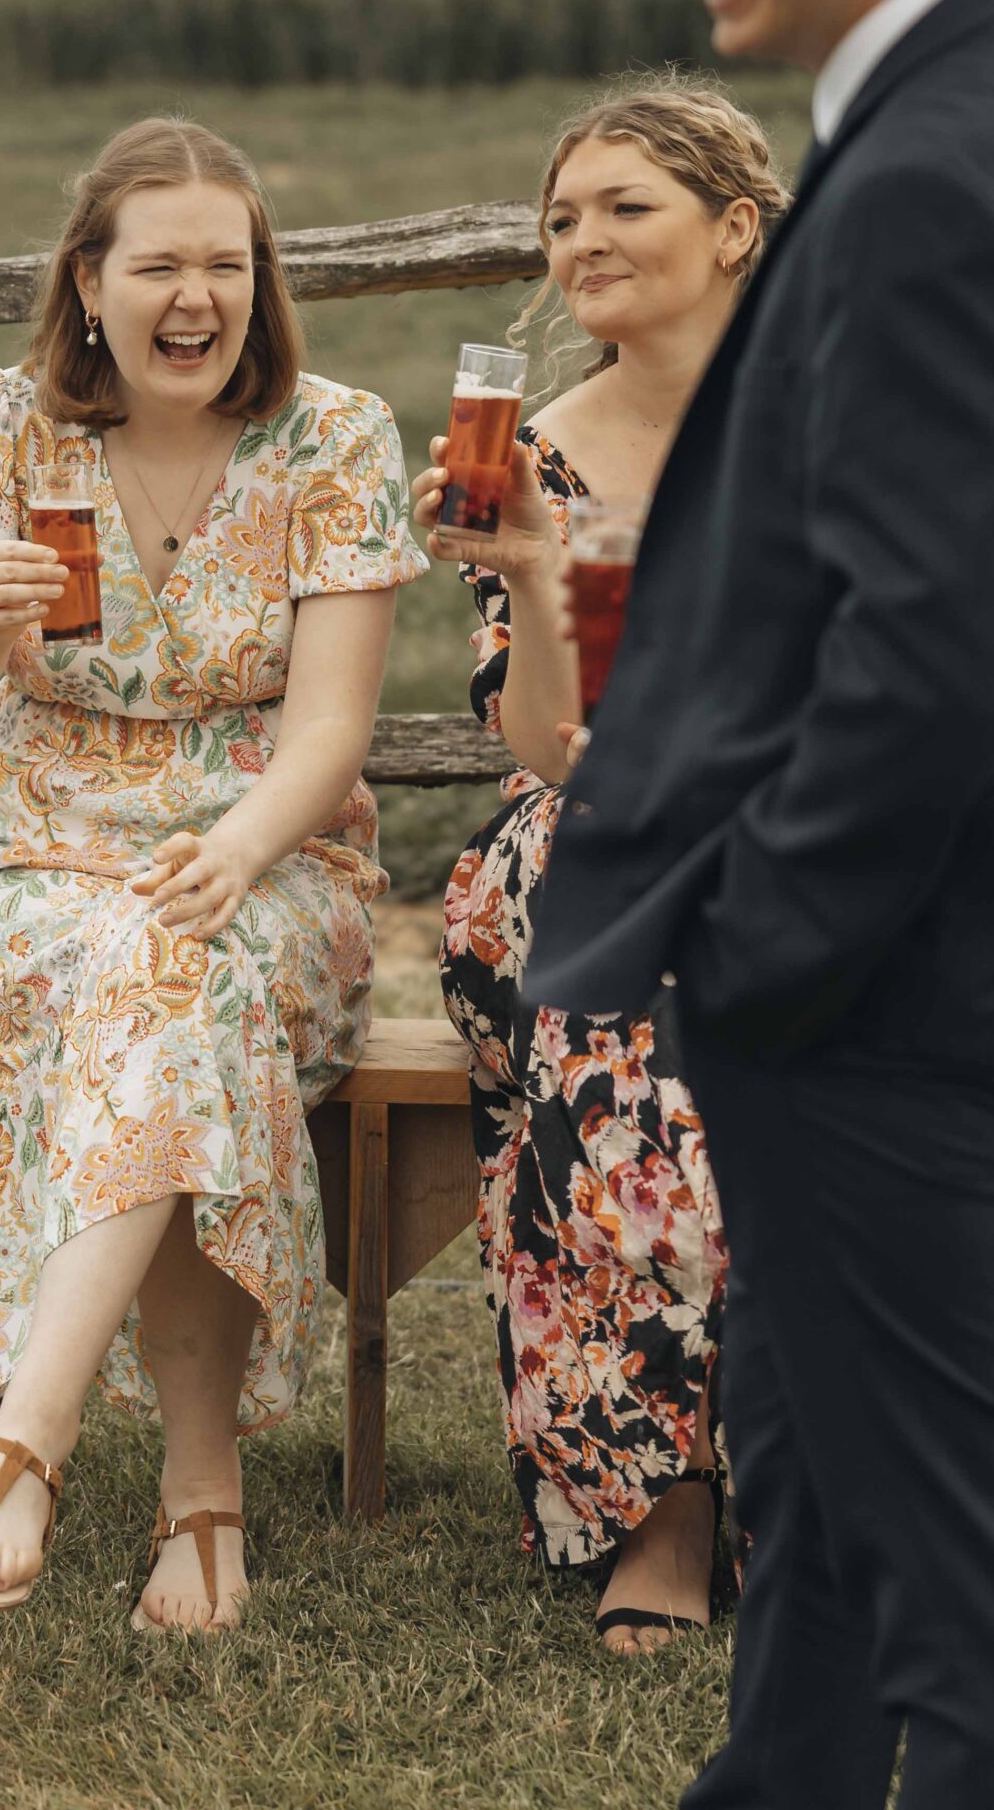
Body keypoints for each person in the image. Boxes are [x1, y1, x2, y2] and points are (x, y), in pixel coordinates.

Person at [527, 0, 994, 1802]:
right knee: (815, 1494)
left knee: (974, 1604)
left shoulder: (935, 166)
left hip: (894, 986)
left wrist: (759, 942)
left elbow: (934, 652)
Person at [0, 116, 424, 1633]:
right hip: (31, 852)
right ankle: (198, 1502)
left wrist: (237, 850)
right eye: (161, 265)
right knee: (160, 993)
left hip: (267, 849)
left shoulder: (335, 439)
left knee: (175, 971)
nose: (199, 297)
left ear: (262, 284)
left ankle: (23, 1452)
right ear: (90, 282)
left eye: (227, 266)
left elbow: (328, 731)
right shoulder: (3, 429)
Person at [410, 81, 788, 1655]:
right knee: (625, 1050)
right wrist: (539, 573)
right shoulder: (537, 459)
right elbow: (554, 751)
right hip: (593, 849)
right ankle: (667, 1507)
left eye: (625, 206)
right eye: (563, 217)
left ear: (736, 229)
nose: (583, 240)